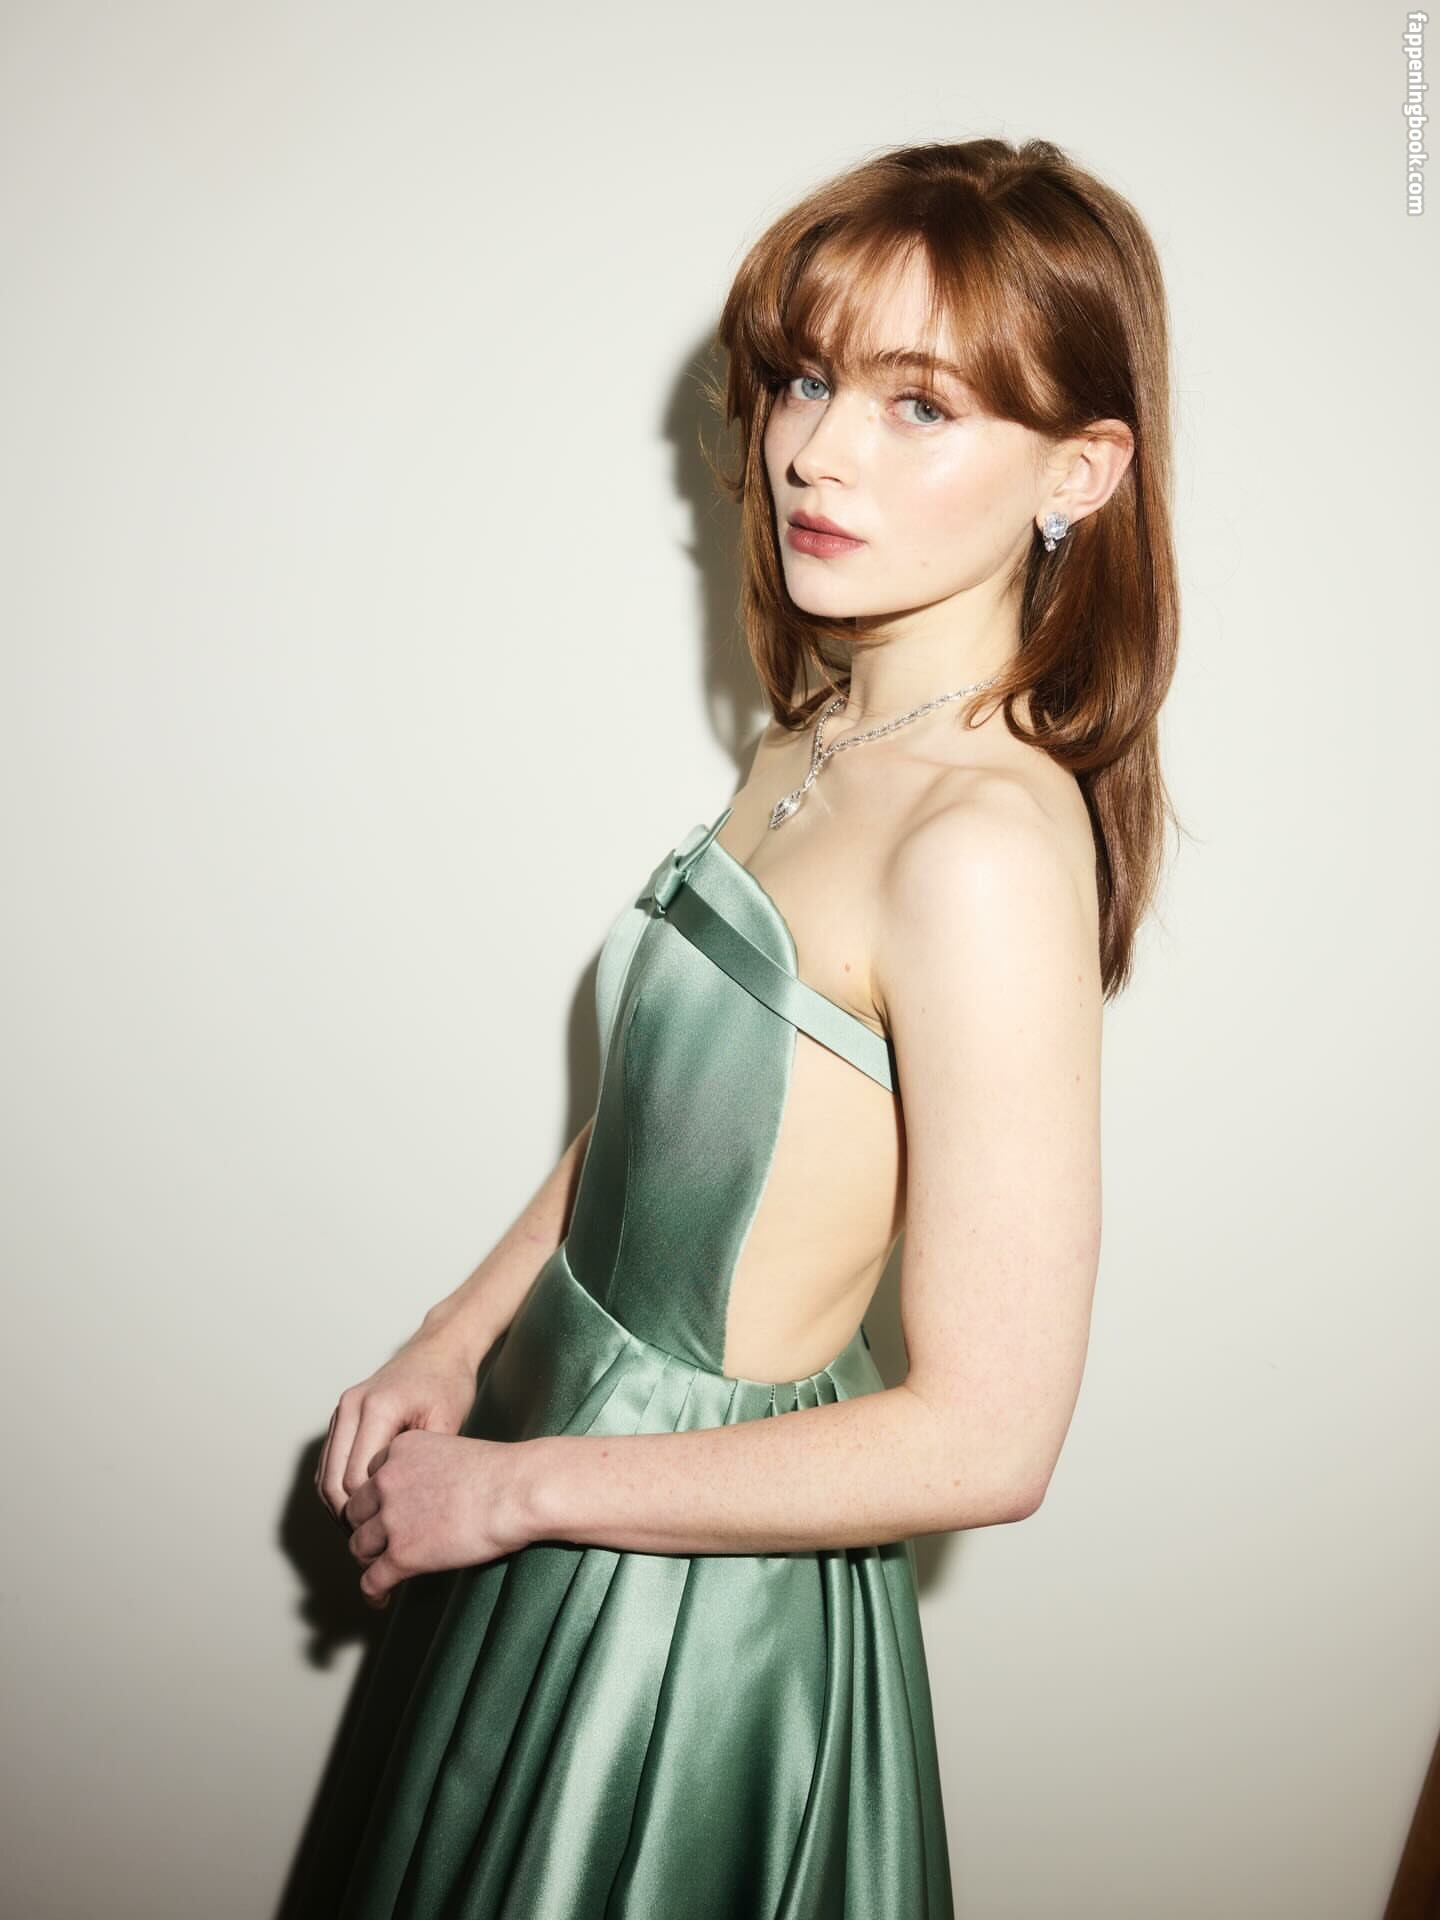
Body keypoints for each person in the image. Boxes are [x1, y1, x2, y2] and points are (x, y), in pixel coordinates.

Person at [293, 133, 1179, 1919]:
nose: (814, 451)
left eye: (919, 406)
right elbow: (667, 1118)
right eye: (805, 377)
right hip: (558, 1472)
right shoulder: (821, 731)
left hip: (680, 1612)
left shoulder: (981, 850)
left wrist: (519, 1496)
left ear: (1079, 471)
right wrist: (455, 1341)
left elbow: (988, 1441)